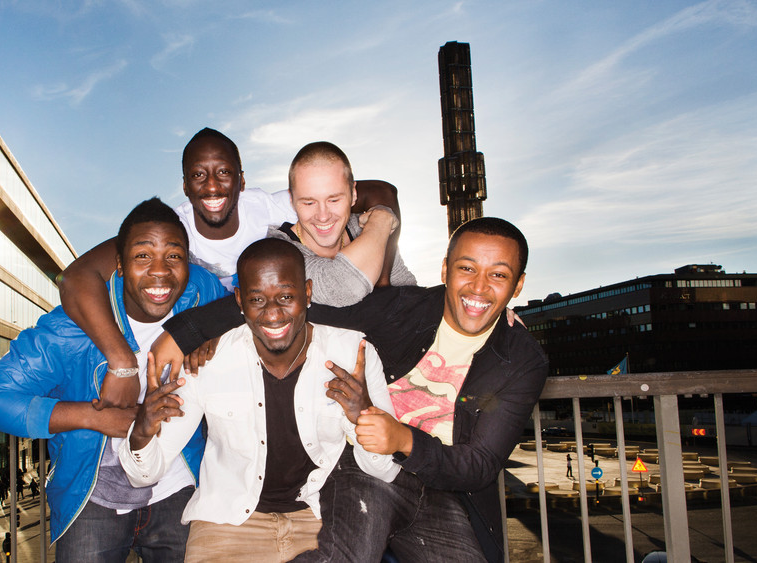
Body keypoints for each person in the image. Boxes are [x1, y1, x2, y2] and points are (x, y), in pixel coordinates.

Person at [161, 217, 549, 562]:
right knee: (346, 554)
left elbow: (479, 465)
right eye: (467, 268)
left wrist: (403, 440)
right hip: (367, 470)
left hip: (443, 491)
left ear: (518, 284)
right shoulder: (402, 308)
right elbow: (293, 304)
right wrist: (187, 334)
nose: (479, 287)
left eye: (498, 275)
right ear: (446, 268)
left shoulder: (523, 360)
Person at [57, 128, 403, 410]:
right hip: (200, 356)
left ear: (241, 179)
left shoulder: (267, 208)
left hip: (262, 339)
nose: (212, 186)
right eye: (198, 175)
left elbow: (381, 192)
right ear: (184, 185)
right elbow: (75, 277)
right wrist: (121, 361)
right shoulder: (169, 232)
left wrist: (384, 278)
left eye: (224, 173)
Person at [0, 198, 226, 559]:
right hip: (93, 498)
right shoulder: (67, 331)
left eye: (174, 256)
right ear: (119, 264)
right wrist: (95, 417)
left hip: (178, 486)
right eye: (142, 256)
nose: (160, 271)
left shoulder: (198, 291)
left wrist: (207, 329)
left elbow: (243, 305)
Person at [119, 238, 399, 563]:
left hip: (320, 518)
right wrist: (142, 432)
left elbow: (385, 471)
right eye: (257, 299)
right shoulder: (207, 362)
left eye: (286, 297)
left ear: (308, 292)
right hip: (227, 524)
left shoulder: (353, 354)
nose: (273, 313)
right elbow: (143, 475)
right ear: (239, 300)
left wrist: (363, 417)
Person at [268, 141, 416, 306]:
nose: (323, 216)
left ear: (353, 194)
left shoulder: (362, 230)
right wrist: (381, 220)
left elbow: (410, 296)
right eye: (309, 203)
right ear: (291, 200)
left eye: (334, 200)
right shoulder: (276, 250)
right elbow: (341, 288)